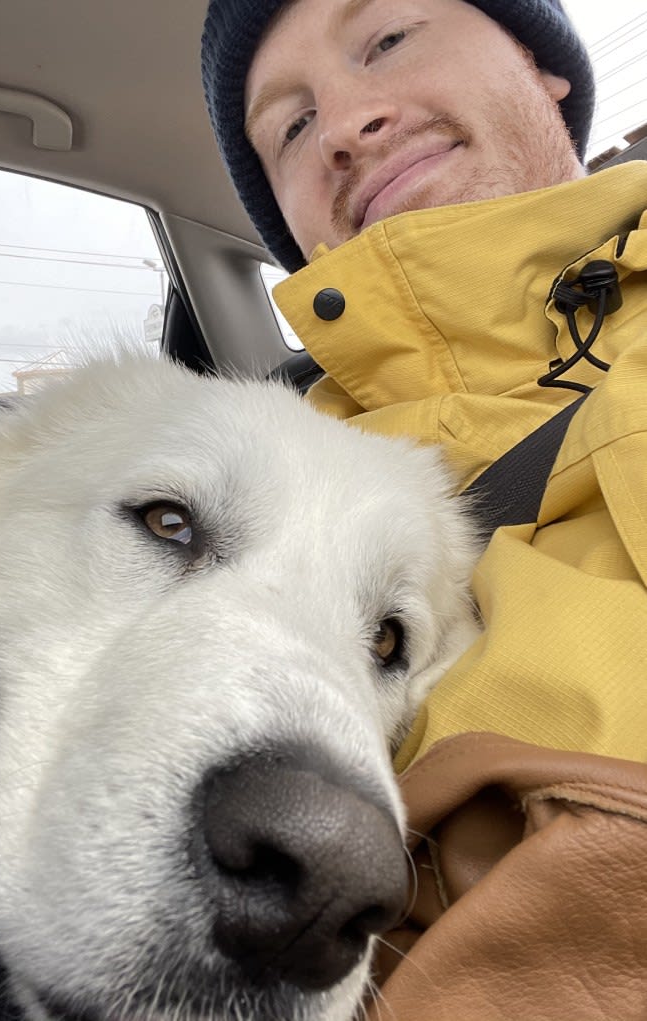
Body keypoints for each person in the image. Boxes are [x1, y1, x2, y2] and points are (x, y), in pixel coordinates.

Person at [201, 2, 647, 1018]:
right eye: (292, 126)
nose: (347, 123)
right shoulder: (262, 472)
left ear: (544, 72)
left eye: (387, 38)